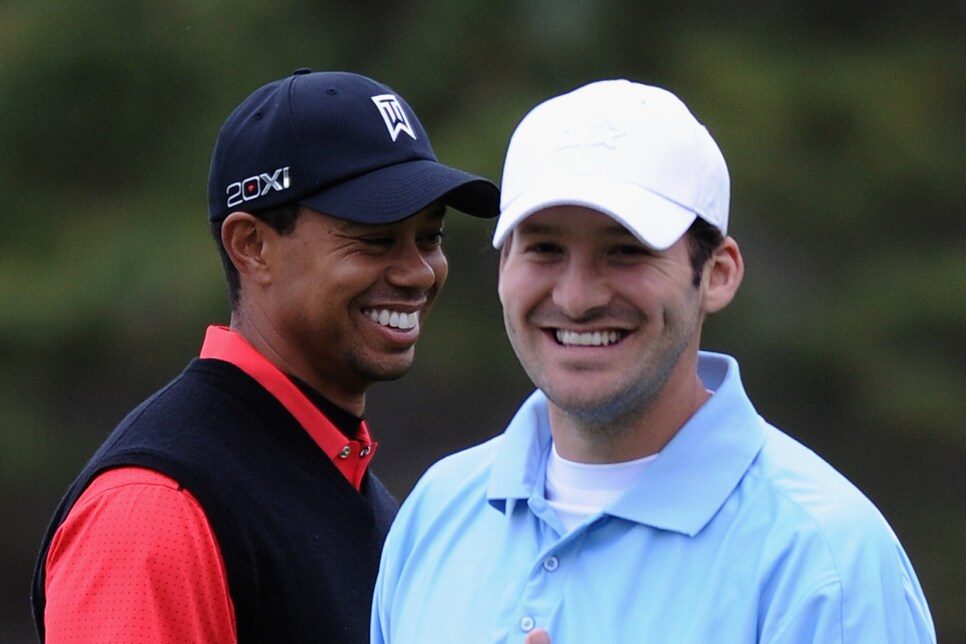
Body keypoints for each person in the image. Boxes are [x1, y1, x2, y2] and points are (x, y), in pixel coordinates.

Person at [371, 79, 936, 643]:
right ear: (503, 269)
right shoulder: (436, 513)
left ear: (717, 273)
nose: (576, 297)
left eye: (627, 251)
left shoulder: (826, 561)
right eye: (544, 248)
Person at [30, 68, 499, 643]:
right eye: (375, 240)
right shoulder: (156, 509)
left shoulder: (363, 493)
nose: (418, 271)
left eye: (431, 237)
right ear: (252, 247)